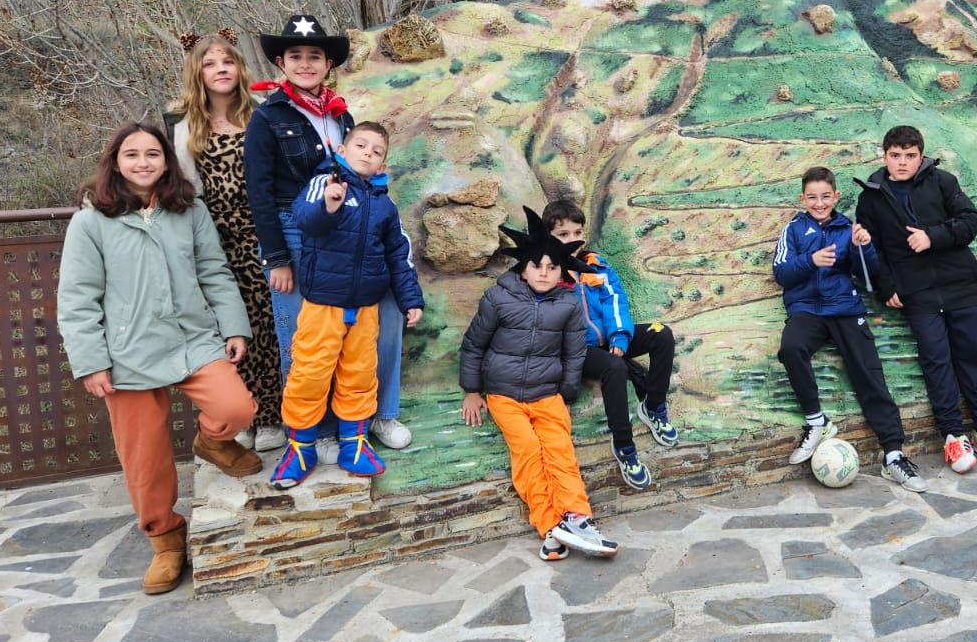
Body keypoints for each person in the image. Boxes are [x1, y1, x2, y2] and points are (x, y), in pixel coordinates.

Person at [57, 122, 261, 595]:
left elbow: (213, 269)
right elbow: (77, 298)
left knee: (236, 408)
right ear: (116, 161)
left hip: (191, 338)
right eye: (133, 154)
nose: (144, 162)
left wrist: (233, 325)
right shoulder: (90, 222)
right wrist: (91, 362)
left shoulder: (188, 210)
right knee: (144, 458)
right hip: (127, 352)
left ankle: (212, 442)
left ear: (167, 161)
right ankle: (166, 540)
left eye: (154, 153)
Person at [243, 14, 412, 450]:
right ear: (282, 61)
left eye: (313, 56)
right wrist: (276, 257)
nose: (305, 63)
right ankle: (309, 431)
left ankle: (377, 414)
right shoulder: (268, 118)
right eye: (296, 55)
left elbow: (360, 169)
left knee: (385, 313)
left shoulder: (342, 116)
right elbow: (258, 192)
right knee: (302, 337)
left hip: (349, 231)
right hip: (293, 230)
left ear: (327, 64)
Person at [460, 207, 621, 561]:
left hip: (547, 394)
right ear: (524, 267)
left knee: (560, 452)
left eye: (552, 267)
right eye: (537, 266)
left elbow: (574, 353)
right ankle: (550, 526)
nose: (544, 273)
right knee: (529, 454)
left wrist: (565, 393)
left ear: (562, 270)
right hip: (504, 395)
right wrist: (472, 390)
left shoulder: (567, 304)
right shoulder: (498, 298)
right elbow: (474, 343)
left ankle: (578, 518)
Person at [270, 122, 425, 488]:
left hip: (366, 308)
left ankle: (353, 443)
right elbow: (306, 220)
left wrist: (410, 299)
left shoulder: (384, 205)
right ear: (342, 150)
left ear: (382, 165)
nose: (367, 153)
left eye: (376, 151)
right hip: (323, 305)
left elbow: (397, 255)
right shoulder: (324, 183)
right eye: (361, 145)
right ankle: (301, 446)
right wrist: (329, 204)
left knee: (359, 374)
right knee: (308, 374)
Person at [854, 125, 977, 474]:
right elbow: (874, 250)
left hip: (961, 284)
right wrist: (887, 288)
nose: (902, 162)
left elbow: (971, 220)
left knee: (974, 357)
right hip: (918, 293)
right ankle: (954, 437)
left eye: (909, 156)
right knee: (936, 361)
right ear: (884, 156)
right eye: (895, 155)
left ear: (920, 156)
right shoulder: (871, 196)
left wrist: (932, 237)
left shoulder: (942, 181)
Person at [773, 167, 928, 492]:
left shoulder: (848, 229)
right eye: (812, 197)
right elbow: (782, 273)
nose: (819, 203)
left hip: (845, 309)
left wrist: (865, 246)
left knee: (869, 375)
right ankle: (817, 423)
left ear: (836, 196)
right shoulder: (793, 229)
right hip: (807, 311)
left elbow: (866, 274)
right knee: (791, 348)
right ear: (802, 198)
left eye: (825, 196)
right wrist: (811, 261)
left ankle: (894, 455)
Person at [167, 28, 285, 452]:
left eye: (227, 62)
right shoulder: (185, 130)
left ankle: (279, 415)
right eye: (210, 64)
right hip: (220, 243)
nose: (220, 70)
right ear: (197, 73)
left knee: (276, 325)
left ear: (240, 67)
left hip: (267, 236)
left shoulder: (263, 115)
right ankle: (251, 412)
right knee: (237, 330)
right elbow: (186, 193)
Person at [543, 199, 680, 492]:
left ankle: (654, 406)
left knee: (661, 333)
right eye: (563, 235)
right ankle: (625, 447)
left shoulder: (596, 265)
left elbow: (614, 300)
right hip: (579, 351)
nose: (573, 240)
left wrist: (620, 336)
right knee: (615, 367)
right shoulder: (547, 272)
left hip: (610, 340)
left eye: (577, 233)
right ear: (549, 237)